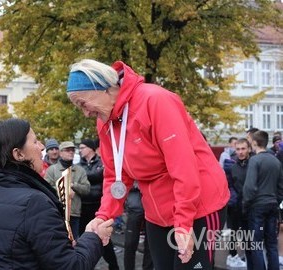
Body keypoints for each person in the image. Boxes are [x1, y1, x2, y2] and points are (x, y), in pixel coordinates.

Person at [66, 59, 230, 270]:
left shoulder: (155, 101)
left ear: (103, 88)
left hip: (198, 204)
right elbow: (115, 176)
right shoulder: (105, 122)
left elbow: (184, 167)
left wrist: (183, 224)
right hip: (156, 210)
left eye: (83, 103)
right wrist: (104, 215)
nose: (85, 113)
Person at [0, 118, 114, 269]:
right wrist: (94, 237)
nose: (42, 147)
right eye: (35, 142)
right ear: (18, 154)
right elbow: (71, 266)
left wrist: (61, 245)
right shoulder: (34, 202)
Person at [243, 130, 283, 270]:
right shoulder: (275, 160)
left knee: (256, 245)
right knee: (272, 244)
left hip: (257, 207)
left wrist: (245, 205)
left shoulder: (255, 160)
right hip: (272, 206)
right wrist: (276, 201)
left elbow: (249, 187)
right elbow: (281, 187)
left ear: (254, 143)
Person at [78, 138, 119, 270]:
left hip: (99, 206)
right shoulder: (79, 165)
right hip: (83, 206)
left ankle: (114, 266)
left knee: (105, 240)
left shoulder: (100, 162)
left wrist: (82, 178)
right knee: (84, 240)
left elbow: (100, 175)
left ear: (90, 148)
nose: (80, 150)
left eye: (83, 147)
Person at [45, 141, 91, 239]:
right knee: (56, 241)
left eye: (73, 150)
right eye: (67, 150)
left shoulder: (80, 170)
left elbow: (87, 189)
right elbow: (46, 189)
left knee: (73, 243)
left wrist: (73, 185)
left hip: (74, 213)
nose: (71, 152)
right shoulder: (52, 170)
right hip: (56, 213)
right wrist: (64, 189)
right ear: (60, 153)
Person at [224, 138, 250, 268]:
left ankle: (247, 257)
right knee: (234, 233)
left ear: (249, 149)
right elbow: (229, 186)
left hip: (250, 206)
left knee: (248, 234)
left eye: (243, 149)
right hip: (235, 207)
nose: (240, 152)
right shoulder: (232, 167)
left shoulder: (253, 164)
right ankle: (233, 256)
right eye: (238, 149)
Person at [124, 182, 153, 270]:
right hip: (135, 207)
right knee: (130, 244)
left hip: (152, 207)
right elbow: (122, 181)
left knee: (150, 245)